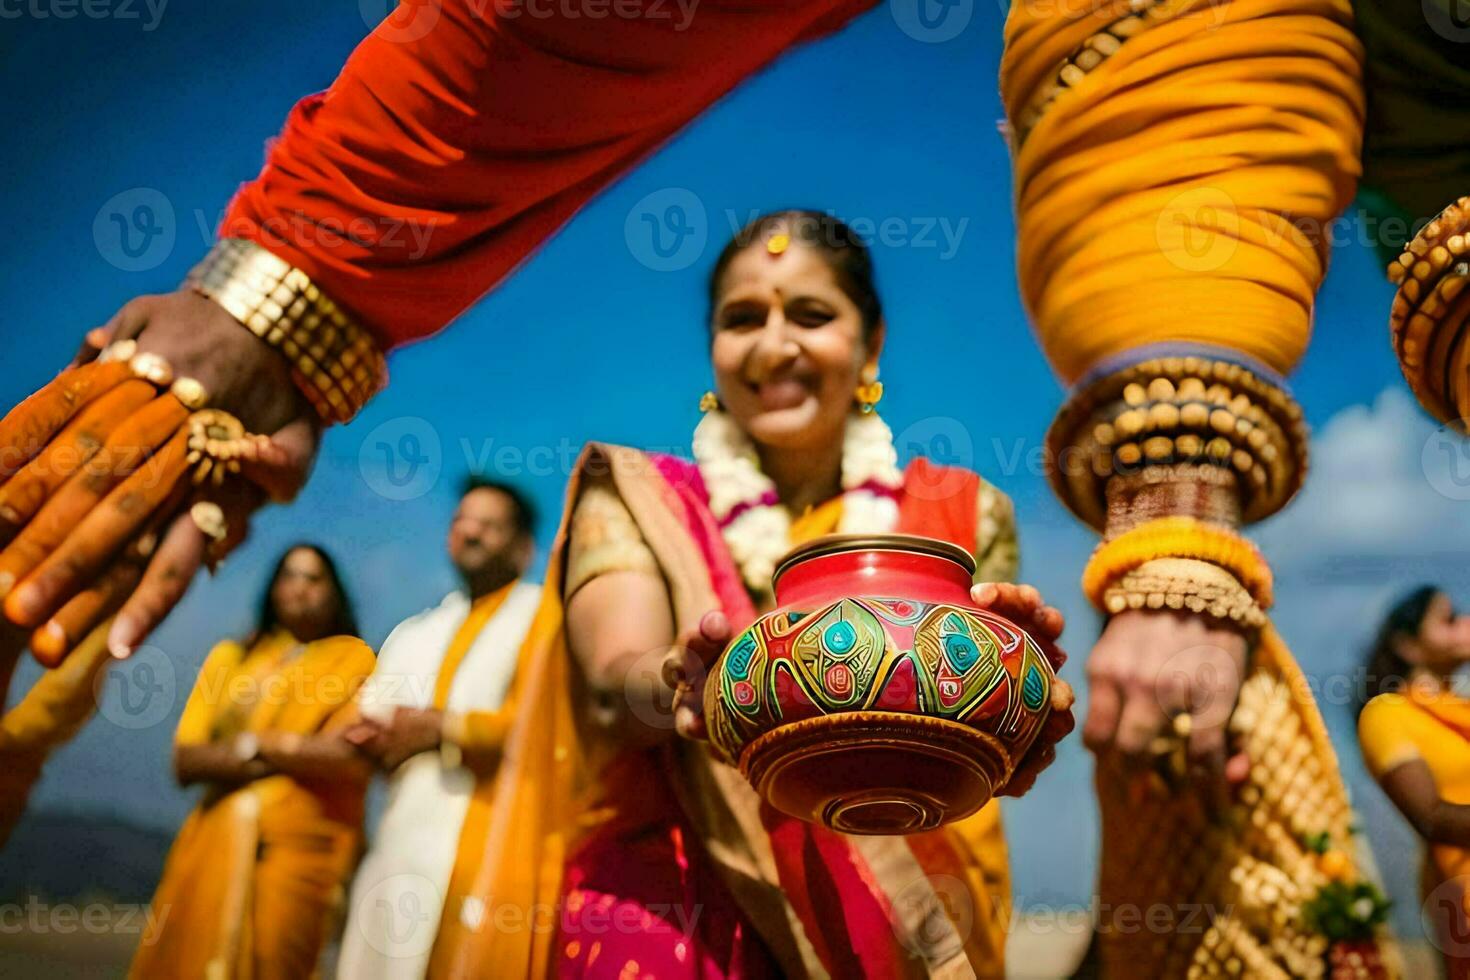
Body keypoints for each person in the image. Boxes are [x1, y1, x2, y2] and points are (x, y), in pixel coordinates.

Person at [412, 210, 1074, 978]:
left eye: (812, 314)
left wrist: (1017, 697)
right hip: (678, 897)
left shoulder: (964, 509)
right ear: (712, 348)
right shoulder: (639, 496)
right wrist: (681, 683)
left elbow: (978, 715)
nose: (774, 343)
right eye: (742, 318)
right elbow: (608, 686)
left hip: (917, 900)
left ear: (873, 342)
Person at [129, 544, 375, 980]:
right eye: (290, 575)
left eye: (314, 579)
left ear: (335, 593)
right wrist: (292, 751)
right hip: (212, 841)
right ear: (272, 587)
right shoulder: (232, 658)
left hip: (302, 851)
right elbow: (186, 759)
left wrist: (253, 746)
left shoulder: (353, 660)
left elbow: (349, 757)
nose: (300, 588)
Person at [336, 477, 541, 979]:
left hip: (489, 843)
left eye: (489, 526)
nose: (470, 534)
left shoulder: (541, 617)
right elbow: (366, 728)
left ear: (523, 547)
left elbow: (548, 728)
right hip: (400, 837)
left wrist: (442, 728)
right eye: (461, 522)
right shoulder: (414, 631)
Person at [1359, 587, 1470, 979]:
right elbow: (1430, 817)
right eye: (1449, 618)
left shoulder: (1463, 709)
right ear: (1408, 645)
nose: (1466, 624)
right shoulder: (1388, 713)